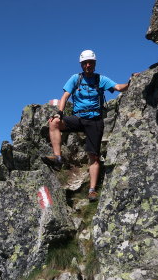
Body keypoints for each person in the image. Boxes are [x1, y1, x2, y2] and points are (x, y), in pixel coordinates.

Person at [41, 49, 137, 201]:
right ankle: (58, 157)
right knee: (54, 122)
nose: (88, 65)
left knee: (94, 156)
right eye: (85, 63)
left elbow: (119, 87)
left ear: (95, 63)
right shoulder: (75, 78)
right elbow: (65, 95)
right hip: (78, 118)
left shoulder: (101, 79)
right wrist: (59, 112)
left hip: (95, 120)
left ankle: (92, 190)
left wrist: (131, 82)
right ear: (81, 65)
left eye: (90, 63)